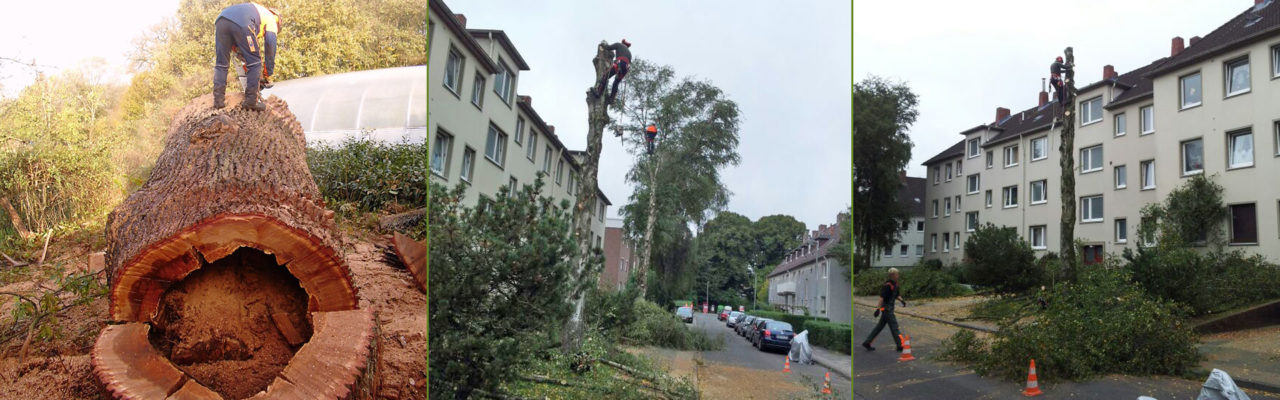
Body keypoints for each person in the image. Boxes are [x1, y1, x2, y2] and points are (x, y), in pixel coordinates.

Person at [212, 2, 281, 110]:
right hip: (242, 22)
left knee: (221, 64)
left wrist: (248, 66)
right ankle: (251, 102)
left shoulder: (257, 12)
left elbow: (240, 48)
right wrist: (268, 74)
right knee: (255, 63)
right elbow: (270, 47)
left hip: (221, 21)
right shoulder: (272, 19)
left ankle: (218, 102)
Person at [862, 268, 907, 352]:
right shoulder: (887, 285)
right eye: (897, 274)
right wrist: (877, 309)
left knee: (880, 326)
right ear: (893, 275)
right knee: (894, 326)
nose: (898, 275)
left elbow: (896, 295)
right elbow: (881, 298)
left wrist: (902, 300)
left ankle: (867, 342)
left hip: (890, 309)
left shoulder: (895, 284)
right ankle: (900, 345)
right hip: (886, 309)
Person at [594, 39, 631, 105]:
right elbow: (629, 64)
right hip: (625, 68)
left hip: (619, 63)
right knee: (616, 82)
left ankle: (599, 92)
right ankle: (611, 99)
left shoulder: (618, 45)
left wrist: (602, 45)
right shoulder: (629, 53)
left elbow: (608, 47)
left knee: (606, 75)